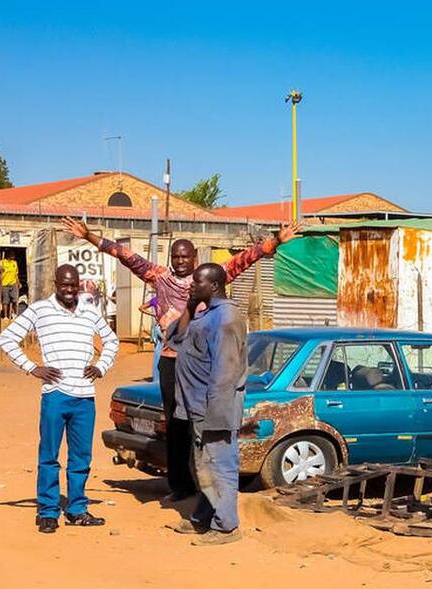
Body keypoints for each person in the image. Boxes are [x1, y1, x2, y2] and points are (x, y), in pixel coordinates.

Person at [60, 217, 299, 505]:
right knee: (175, 423)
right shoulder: (160, 277)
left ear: (195, 257)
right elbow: (125, 256)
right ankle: (180, 485)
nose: (181, 261)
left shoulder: (211, 278)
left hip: (202, 362)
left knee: (202, 422)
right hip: (172, 360)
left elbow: (244, 259)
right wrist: (89, 236)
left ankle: (206, 486)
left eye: (185, 256)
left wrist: (275, 241)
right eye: (176, 256)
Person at [0, 264, 120, 534]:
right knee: (49, 456)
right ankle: (48, 511)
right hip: (55, 394)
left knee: (81, 458)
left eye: (73, 285)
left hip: (85, 397)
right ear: (55, 284)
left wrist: (101, 366)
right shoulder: (40, 309)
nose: (69, 290)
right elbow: (6, 338)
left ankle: (77, 509)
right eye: (64, 285)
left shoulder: (90, 310)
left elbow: (112, 341)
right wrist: (32, 368)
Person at [165, 263, 247, 546]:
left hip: (214, 409)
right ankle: (204, 515)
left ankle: (226, 527)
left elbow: (225, 372)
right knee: (202, 465)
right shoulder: (206, 314)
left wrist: (217, 415)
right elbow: (175, 339)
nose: (191, 285)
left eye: (197, 283)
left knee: (220, 465)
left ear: (214, 286)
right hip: (197, 408)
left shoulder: (225, 319)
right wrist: (190, 305)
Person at [0, 251, 20, 320]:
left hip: (13, 284)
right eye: (12, 256)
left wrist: (18, 283)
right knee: (5, 301)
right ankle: (5, 316)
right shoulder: (2, 262)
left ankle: (15, 314)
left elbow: (16, 274)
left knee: (15, 300)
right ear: (8, 256)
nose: (13, 257)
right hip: (4, 284)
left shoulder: (14, 263)